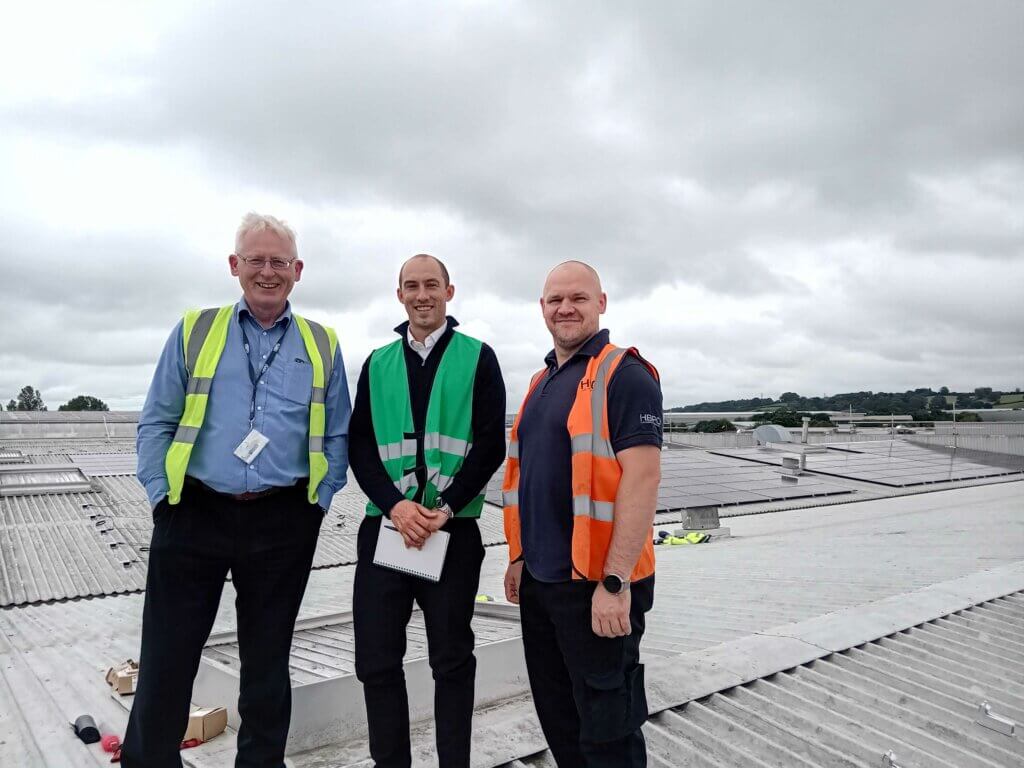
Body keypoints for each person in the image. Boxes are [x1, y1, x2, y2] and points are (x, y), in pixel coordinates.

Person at [124, 213, 351, 768]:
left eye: (279, 262)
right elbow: (156, 420)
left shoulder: (322, 343)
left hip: (282, 519)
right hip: (194, 511)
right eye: (256, 260)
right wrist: (161, 496)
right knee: (167, 659)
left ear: (297, 271)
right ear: (235, 266)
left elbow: (339, 429)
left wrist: (315, 506)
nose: (267, 272)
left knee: (268, 662)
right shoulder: (196, 330)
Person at [502, 261, 662, 768]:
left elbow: (642, 481)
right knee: (561, 723)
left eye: (578, 298)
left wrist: (615, 584)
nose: (565, 308)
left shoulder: (625, 375)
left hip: (597, 586)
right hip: (542, 583)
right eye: (555, 300)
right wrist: (518, 558)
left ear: (601, 303)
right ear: (542, 308)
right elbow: (528, 480)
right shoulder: (540, 380)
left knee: (607, 732)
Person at [349, 254, 506, 768]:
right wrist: (395, 506)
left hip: (452, 531)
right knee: (376, 662)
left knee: (452, 661)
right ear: (399, 295)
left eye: (431, 285)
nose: (422, 295)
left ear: (449, 291)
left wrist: (448, 506)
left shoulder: (478, 358)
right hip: (387, 528)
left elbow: (489, 445)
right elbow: (361, 447)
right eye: (411, 286)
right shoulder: (377, 364)